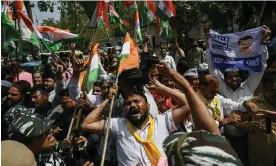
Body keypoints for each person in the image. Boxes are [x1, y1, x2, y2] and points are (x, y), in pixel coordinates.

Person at [82, 63, 221, 166]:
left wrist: (163, 88)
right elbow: (87, 124)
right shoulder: (118, 125)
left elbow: (187, 104)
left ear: (148, 106)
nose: (132, 105)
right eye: (128, 104)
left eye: (137, 102)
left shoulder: (162, 122)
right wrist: (107, 100)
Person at [205, 26, 271, 102]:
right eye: (230, 77)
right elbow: (212, 69)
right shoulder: (223, 88)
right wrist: (208, 46)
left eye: (236, 76)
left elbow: (261, 67)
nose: (234, 79)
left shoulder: (248, 86)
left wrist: (263, 44)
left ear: (241, 77)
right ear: (224, 79)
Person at [245, 72, 276, 166]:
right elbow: (236, 121)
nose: (275, 94)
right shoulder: (252, 104)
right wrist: (248, 125)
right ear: (264, 88)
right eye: (272, 90)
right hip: (261, 158)